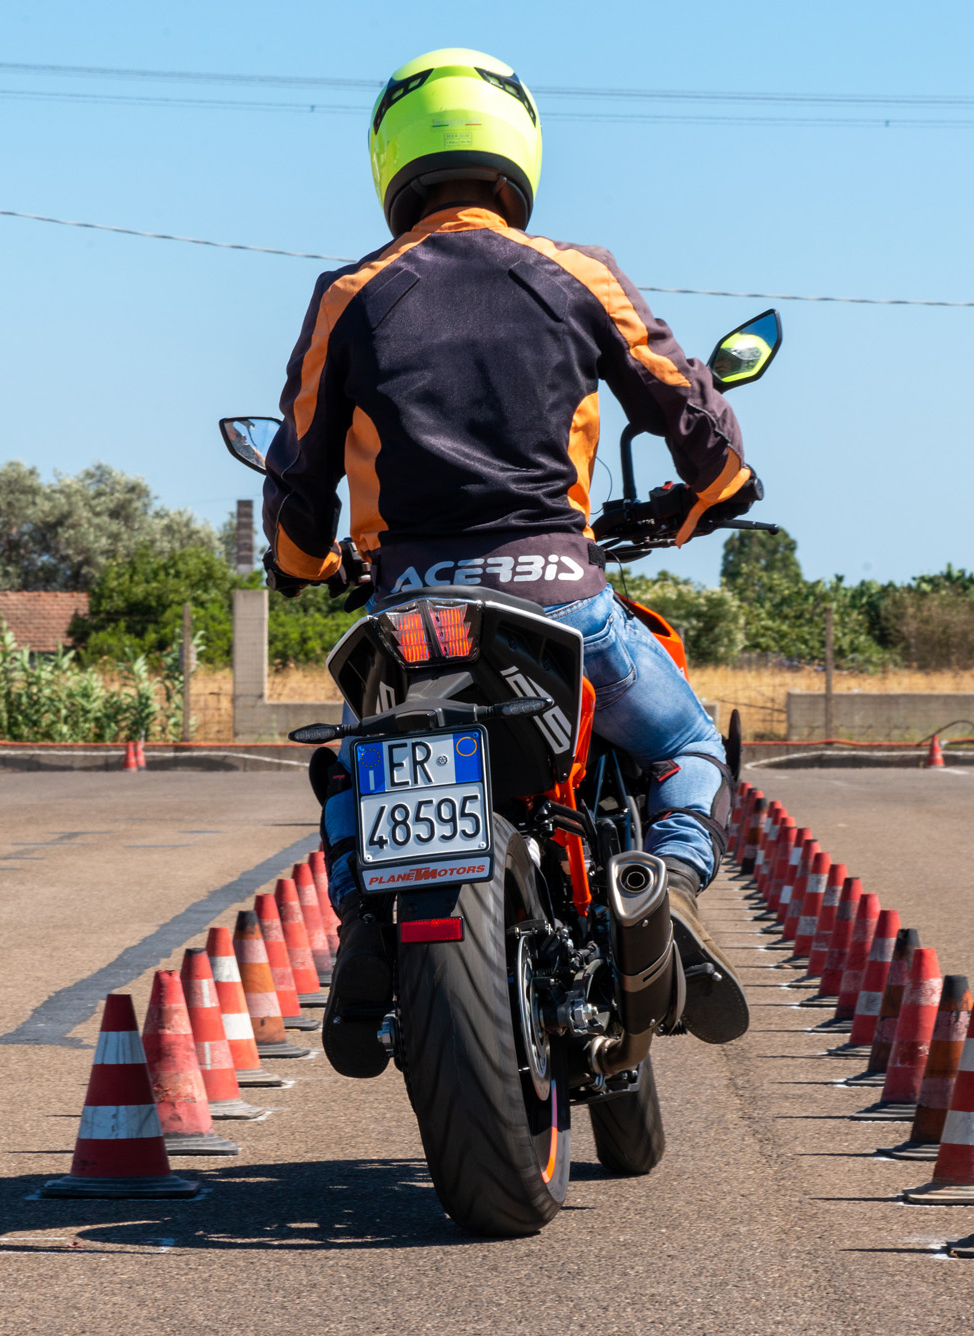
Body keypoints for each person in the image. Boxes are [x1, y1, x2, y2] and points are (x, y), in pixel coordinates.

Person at [260, 47, 758, 1075]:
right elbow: (693, 414)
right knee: (686, 746)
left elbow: (298, 478)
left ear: (391, 160)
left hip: (407, 617)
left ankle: (367, 917)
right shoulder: (578, 273)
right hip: (560, 602)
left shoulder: (348, 294)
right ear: (516, 152)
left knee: (357, 769)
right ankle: (661, 884)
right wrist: (713, 492)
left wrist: (302, 562)